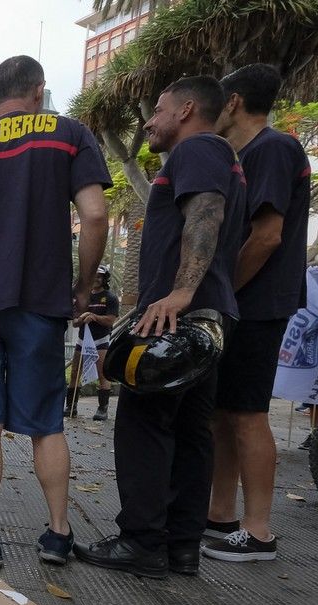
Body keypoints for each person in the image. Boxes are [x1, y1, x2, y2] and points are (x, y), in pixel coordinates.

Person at [0, 55, 112, 567]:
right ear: (38, 90)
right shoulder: (67, 133)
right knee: (46, 423)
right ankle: (57, 534)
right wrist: (81, 286)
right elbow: (94, 214)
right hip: (40, 300)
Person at [74, 75, 245, 579]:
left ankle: (143, 541)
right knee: (192, 432)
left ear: (187, 109)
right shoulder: (221, 156)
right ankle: (181, 546)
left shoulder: (198, 151)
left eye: (159, 109)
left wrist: (182, 292)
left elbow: (205, 215)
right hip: (207, 314)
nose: (149, 121)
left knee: (144, 424)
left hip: (180, 315)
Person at [203, 64, 312, 564]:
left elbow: (267, 235)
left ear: (234, 102)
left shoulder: (272, 148)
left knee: (247, 414)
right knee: (225, 414)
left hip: (259, 304)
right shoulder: (247, 153)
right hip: (244, 304)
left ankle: (259, 530)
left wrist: (224, 290)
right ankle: (220, 514)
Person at [66, 265, 120, 421]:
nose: (96, 279)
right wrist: (80, 319)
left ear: (104, 279)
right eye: (94, 275)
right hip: (83, 339)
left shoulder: (110, 297)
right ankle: (71, 406)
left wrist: (94, 317)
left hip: (101, 340)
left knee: (103, 373)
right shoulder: (83, 297)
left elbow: (110, 320)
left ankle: (102, 409)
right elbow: (74, 322)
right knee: (76, 372)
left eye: (99, 276)